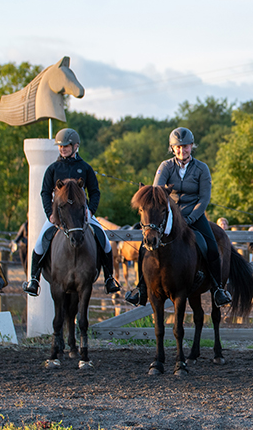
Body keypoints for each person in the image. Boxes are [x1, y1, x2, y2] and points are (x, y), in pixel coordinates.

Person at [125, 127, 232, 307]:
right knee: (146, 247)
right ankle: (141, 289)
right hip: (169, 217)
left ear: (192, 146)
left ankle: (218, 289)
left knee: (211, 247)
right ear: (172, 148)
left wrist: (190, 219)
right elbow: (157, 192)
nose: (182, 150)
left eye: (185, 146)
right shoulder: (165, 166)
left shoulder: (201, 168)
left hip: (194, 215)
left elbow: (204, 198)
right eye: (178, 147)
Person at [22, 128, 120, 297]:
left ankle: (109, 278)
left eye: (66, 146)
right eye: (60, 146)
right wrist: (50, 214)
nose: (63, 149)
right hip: (59, 216)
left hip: (83, 215)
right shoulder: (53, 169)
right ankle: (34, 280)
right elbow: (45, 193)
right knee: (39, 243)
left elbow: (95, 192)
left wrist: (90, 211)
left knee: (103, 240)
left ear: (76, 146)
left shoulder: (85, 168)